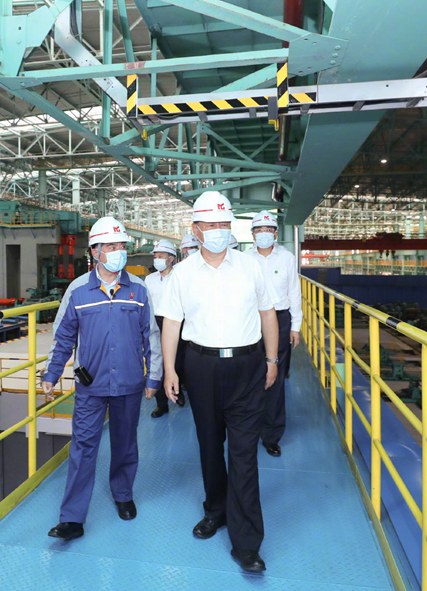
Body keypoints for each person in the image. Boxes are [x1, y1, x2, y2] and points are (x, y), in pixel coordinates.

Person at [157, 191, 280, 573]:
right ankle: (216, 510)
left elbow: (268, 314)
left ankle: (247, 543)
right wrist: (170, 370)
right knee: (210, 446)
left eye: (224, 224)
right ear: (195, 229)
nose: (218, 231)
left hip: (247, 366)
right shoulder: (183, 274)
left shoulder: (250, 266)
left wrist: (272, 359)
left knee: (243, 454)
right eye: (211, 225)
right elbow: (171, 324)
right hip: (201, 367)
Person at [43, 216, 162, 541]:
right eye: (111, 246)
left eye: (121, 245)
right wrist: (52, 373)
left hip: (129, 383)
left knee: (125, 443)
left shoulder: (138, 290)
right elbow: (63, 336)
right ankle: (72, 518)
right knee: (82, 448)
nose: (118, 251)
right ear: (95, 251)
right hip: (90, 385)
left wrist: (153, 377)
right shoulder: (78, 291)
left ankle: (123, 495)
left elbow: (150, 335)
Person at [245, 211, 302, 457]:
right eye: (259, 230)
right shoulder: (244, 259)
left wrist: (295, 326)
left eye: (268, 230)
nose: (263, 234)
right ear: (252, 235)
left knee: (274, 377)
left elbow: (294, 292)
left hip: (279, 320)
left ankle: (271, 434)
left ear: (275, 234)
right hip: (250, 319)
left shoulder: (287, 258)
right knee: (248, 376)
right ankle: (247, 428)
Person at [145, 239, 186, 417]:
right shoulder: (149, 279)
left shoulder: (180, 277)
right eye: (155, 256)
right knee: (157, 362)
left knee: (178, 361)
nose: (157, 259)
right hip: (155, 322)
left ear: (171, 258)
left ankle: (177, 390)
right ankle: (161, 404)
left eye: (161, 256)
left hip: (176, 322)